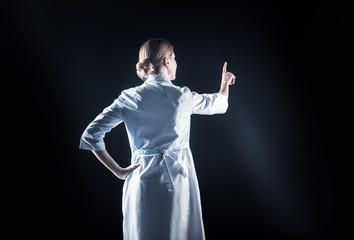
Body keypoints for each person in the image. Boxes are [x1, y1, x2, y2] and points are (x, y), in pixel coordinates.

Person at [79, 38, 236, 240]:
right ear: (167, 61)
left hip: (141, 180)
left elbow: (91, 135)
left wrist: (118, 171)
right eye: (175, 58)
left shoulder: (128, 97)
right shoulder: (182, 96)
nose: (176, 63)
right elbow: (219, 105)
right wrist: (224, 85)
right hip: (177, 180)